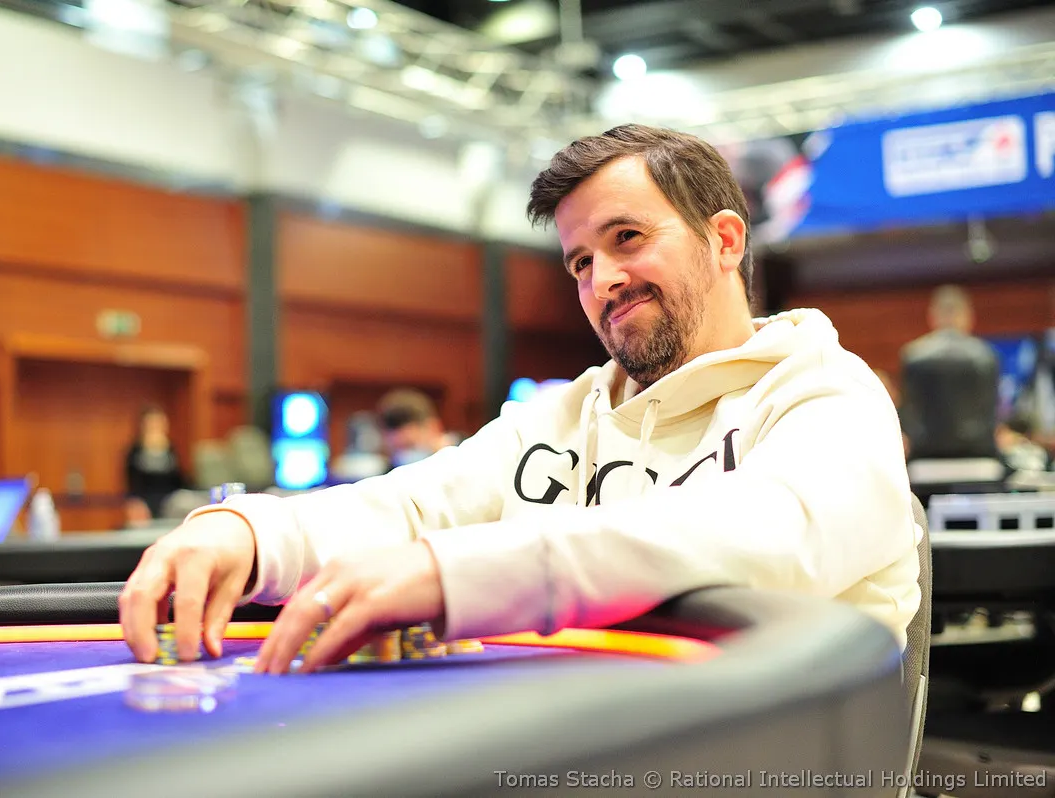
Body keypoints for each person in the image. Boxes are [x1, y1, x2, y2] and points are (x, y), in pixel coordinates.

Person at [119, 125, 920, 674]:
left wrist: (461, 574)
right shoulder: (558, 418)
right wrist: (251, 532)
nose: (602, 280)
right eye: (579, 262)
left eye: (627, 238)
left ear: (725, 241)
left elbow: (766, 537)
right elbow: (410, 508)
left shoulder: (828, 396)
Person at [899, 286, 1000, 461]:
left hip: (925, 459)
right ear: (968, 316)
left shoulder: (913, 356)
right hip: (979, 458)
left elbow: (909, 413)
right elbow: (992, 411)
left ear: (932, 316)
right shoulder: (986, 355)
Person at [123, 405, 187, 527]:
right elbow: (132, 483)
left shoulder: (171, 450)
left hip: (171, 503)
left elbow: (180, 480)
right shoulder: (135, 451)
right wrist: (135, 503)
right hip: (145, 503)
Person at [375, 389, 461, 468]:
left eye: (411, 446)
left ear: (434, 427)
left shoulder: (462, 456)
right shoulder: (387, 470)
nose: (406, 456)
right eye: (398, 449)